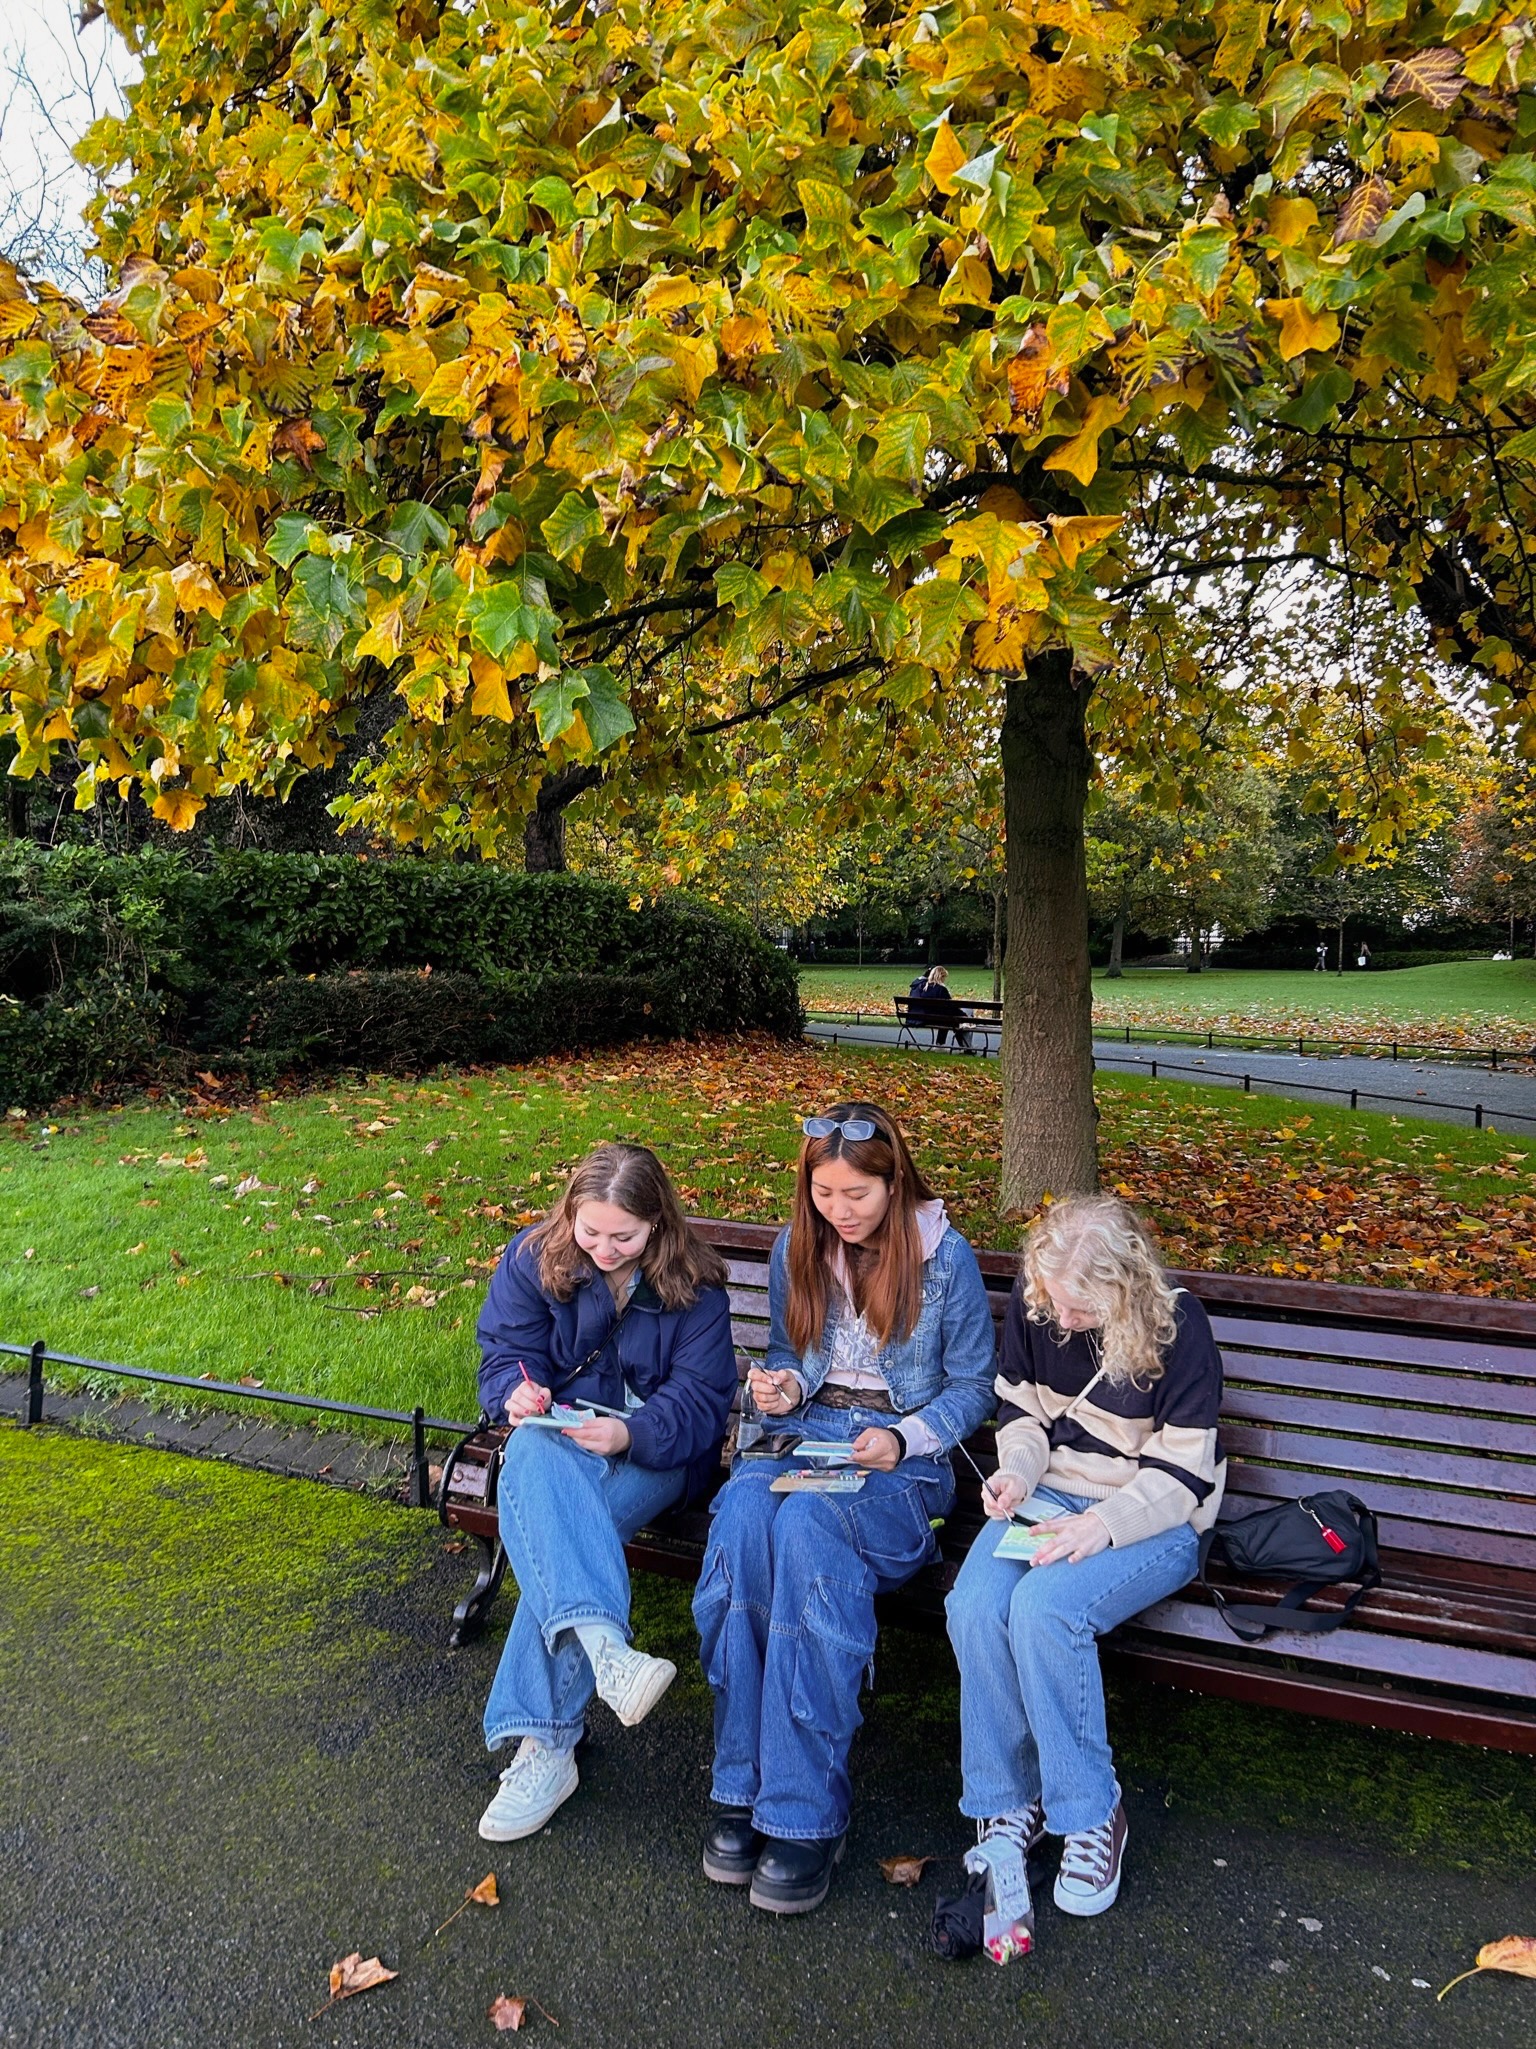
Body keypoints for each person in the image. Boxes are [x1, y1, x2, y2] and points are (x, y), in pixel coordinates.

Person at [694, 1101, 996, 1914]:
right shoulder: (803, 1241)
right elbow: (794, 1357)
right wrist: (779, 1384)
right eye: (824, 1192)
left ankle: (802, 1810)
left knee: (808, 1525)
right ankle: (741, 1779)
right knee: (746, 1522)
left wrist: (903, 1439)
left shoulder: (945, 1257)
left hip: (903, 1459)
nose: (839, 1210)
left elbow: (973, 1387)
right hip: (807, 1433)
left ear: (894, 1182)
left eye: (856, 1193)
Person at [945, 1195, 1223, 1925]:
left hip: (1150, 1517)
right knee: (973, 1605)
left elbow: (1182, 1477)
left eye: (1081, 1310)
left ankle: (1092, 1811)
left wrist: (1101, 1525)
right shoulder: (1039, 1301)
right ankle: (1010, 1805)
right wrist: (1016, 1472)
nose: (1061, 1321)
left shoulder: (1179, 1327)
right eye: (1055, 1304)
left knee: (1044, 1608)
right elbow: (1024, 1415)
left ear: (1126, 1287)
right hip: (1051, 1496)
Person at [473, 1142, 738, 1843]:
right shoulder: (534, 1258)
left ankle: (545, 1749)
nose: (604, 1248)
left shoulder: (697, 1285)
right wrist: (517, 1392)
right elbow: (503, 1354)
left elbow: (704, 1402)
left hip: (657, 1455)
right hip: (559, 1444)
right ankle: (608, 1657)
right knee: (529, 1447)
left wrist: (630, 1436)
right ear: (570, 1213)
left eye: (623, 1236)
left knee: (559, 1549)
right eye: (591, 1231)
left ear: (658, 1223)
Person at [920, 964, 978, 1053]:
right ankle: (967, 1047)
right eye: (944, 978)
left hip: (927, 1018)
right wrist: (964, 1015)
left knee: (958, 1019)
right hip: (943, 1019)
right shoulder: (941, 990)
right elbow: (951, 1008)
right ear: (941, 977)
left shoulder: (924, 989)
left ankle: (944, 1044)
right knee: (967, 1013)